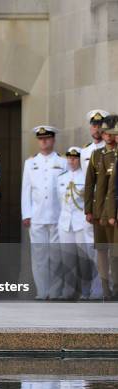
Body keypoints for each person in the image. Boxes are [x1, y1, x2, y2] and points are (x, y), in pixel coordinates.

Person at [21, 125, 66, 300]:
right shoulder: (30, 162)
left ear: (53, 140)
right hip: (37, 216)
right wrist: (26, 214)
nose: (44, 141)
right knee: (39, 256)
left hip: (57, 215)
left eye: (47, 138)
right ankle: (42, 291)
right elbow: (26, 190)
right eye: (41, 138)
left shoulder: (62, 162)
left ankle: (55, 291)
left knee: (56, 256)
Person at [85, 114, 118, 300]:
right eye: (105, 133)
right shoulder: (96, 155)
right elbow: (90, 184)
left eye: (111, 133)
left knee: (115, 252)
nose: (108, 136)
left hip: (113, 211)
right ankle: (106, 290)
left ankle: (115, 288)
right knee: (102, 251)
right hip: (99, 211)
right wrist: (88, 209)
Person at [56, 147, 94, 300]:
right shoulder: (61, 178)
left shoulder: (85, 177)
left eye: (75, 158)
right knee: (67, 258)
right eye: (69, 158)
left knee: (83, 259)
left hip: (80, 222)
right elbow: (59, 202)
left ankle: (86, 291)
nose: (71, 161)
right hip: (65, 223)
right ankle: (68, 291)